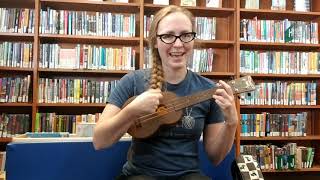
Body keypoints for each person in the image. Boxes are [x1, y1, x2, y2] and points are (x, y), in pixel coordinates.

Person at [93, 5, 238, 180]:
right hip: (140, 175)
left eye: (185, 35)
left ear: (193, 39)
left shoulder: (209, 89)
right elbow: (99, 141)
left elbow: (216, 158)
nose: (178, 44)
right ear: (155, 41)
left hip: (189, 176)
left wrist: (231, 123)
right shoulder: (132, 82)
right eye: (168, 36)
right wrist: (131, 111)